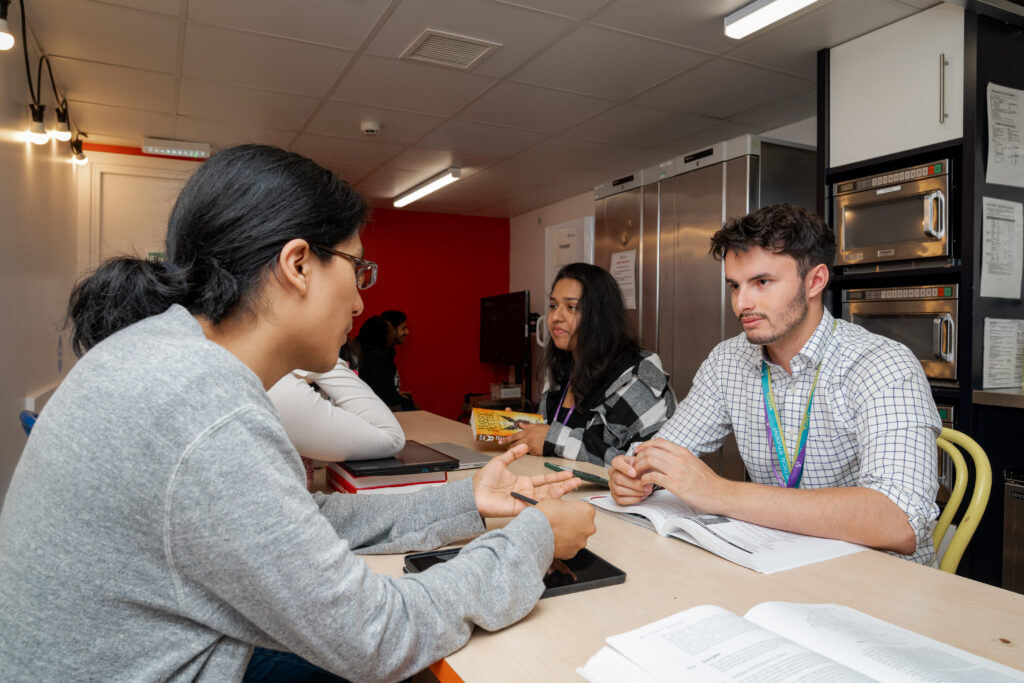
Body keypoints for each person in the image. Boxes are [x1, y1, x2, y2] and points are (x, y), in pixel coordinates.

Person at [0, 144, 597, 681]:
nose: (363, 299)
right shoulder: (205, 410)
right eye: (358, 268)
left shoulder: (164, 356)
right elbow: (376, 637)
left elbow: (298, 525)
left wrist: (465, 503)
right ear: (298, 264)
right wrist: (532, 541)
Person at [609, 203, 941, 564]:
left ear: (814, 281)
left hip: (878, 582)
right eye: (735, 286)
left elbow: (899, 521)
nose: (742, 303)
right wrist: (633, 474)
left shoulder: (880, 364)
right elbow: (659, 454)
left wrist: (718, 492)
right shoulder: (728, 360)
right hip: (778, 561)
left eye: (762, 282)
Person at [501, 262, 676, 466]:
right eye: (553, 305)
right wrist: (524, 433)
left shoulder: (638, 381)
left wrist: (555, 440)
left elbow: (644, 468)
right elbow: (551, 442)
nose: (556, 317)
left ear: (600, 316)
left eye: (571, 307)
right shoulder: (562, 372)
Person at [267, 353, 406, 483]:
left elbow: (322, 451)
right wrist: (323, 359)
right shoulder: (277, 388)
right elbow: (392, 437)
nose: (348, 330)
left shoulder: (271, 377)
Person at [357, 315, 416, 411]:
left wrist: (394, 393)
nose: (407, 332)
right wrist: (408, 402)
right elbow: (385, 398)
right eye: (390, 331)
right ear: (383, 336)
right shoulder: (376, 359)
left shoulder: (370, 354)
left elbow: (378, 389)